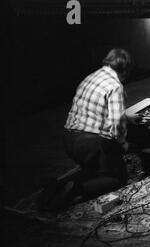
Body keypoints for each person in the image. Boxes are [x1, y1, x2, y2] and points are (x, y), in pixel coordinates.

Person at [39, 48, 133, 210]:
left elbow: (93, 111)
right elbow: (116, 123)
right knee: (117, 178)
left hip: (69, 140)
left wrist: (128, 118)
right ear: (125, 70)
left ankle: (57, 185)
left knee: (94, 170)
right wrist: (123, 144)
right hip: (90, 144)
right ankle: (75, 190)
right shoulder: (115, 86)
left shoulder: (91, 77)